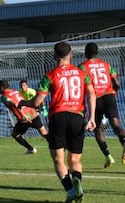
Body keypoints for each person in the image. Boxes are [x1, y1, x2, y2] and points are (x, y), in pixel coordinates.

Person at [18, 41, 96, 203]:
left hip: (58, 117)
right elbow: (91, 94)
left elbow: (38, 102)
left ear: (54, 56)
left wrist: (24, 103)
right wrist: (92, 118)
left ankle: (70, 190)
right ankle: (77, 180)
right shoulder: (82, 73)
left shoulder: (50, 75)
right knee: (75, 160)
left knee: (58, 159)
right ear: (71, 56)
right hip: (77, 116)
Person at [78, 42, 125, 167]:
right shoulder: (106, 65)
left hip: (96, 99)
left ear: (86, 54)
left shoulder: (82, 67)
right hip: (109, 96)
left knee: (98, 128)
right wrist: (114, 91)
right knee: (116, 125)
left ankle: (108, 156)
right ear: (97, 53)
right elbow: (117, 83)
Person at [0, 80, 48, 154]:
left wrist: (24, 115)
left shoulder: (4, 97)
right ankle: (60, 145)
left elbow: (15, 104)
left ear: (1, 88)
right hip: (33, 113)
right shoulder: (15, 91)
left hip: (24, 118)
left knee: (15, 134)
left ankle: (31, 149)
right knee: (44, 133)